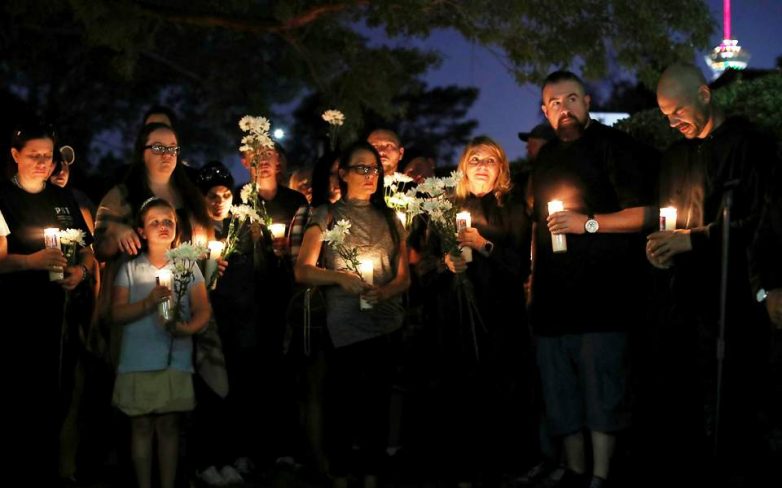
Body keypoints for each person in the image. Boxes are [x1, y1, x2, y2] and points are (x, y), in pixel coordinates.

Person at [646, 63, 776, 483]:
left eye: (678, 109)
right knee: (683, 400)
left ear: (704, 94)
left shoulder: (746, 144)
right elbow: (669, 219)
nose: (672, 121)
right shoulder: (674, 157)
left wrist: (694, 239)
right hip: (685, 302)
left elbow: (759, 220)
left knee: (736, 405)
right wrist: (660, 249)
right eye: (665, 114)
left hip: (733, 300)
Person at [529, 70, 658, 488]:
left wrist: (588, 224)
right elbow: (538, 226)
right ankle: (573, 469)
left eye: (571, 99)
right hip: (552, 297)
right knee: (560, 390)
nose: (563, 109)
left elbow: (645, 213)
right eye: (554, 103)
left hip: (603, 295)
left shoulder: (615, 147)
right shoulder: (545, 157)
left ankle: (602, 476)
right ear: (545, 112)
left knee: (603, 390)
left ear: (586, 101)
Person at [413, 136, 533, 486]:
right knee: (458, 394)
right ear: (463, 167)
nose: (482, 165)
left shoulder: (512, 208)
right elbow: (423, 266)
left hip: (500, 318)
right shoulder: (445, 207)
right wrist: (444, 264)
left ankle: (501, 468)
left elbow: (519, 269)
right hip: (455, 318)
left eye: (490, 160)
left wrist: (484, 245)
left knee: (500, 394)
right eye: (475, 158)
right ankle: (461, 468)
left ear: (501, 169)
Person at [295, 141, 410, 488]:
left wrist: (386, 291)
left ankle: (373, 476)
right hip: (344, 328)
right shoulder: (327, 216)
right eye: (361, 168)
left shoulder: (391, 218)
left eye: (374, 168)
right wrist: (340, 278)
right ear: (343, 174)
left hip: (385, 323)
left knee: (377, 407)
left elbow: (404, 276)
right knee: (342, 407)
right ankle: (342, 473)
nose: (369, 175)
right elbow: (302, 270)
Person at [0, 122, 96, 484]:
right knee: (18, 402)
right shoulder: (4, 198)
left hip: (60, 320)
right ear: (15, 156)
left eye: (48, 156)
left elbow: (88, 250)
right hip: (16, 317)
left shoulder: (62, 197)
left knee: (55, 400)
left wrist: (81, 273)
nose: (43, 162)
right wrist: (31, 262)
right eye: (34, 156)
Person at [111, 197, 211, 488]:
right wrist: (148, 302)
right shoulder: (130, 269)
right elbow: (116, 313)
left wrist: (186, 329)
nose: (162, 226)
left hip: (174, 357)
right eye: (154, 222)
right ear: (142, 231)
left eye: (167, 221)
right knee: (141, 425)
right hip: (137, 360)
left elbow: (203, 308)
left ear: (176, 227)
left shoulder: (187, 267)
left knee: (169, 425)